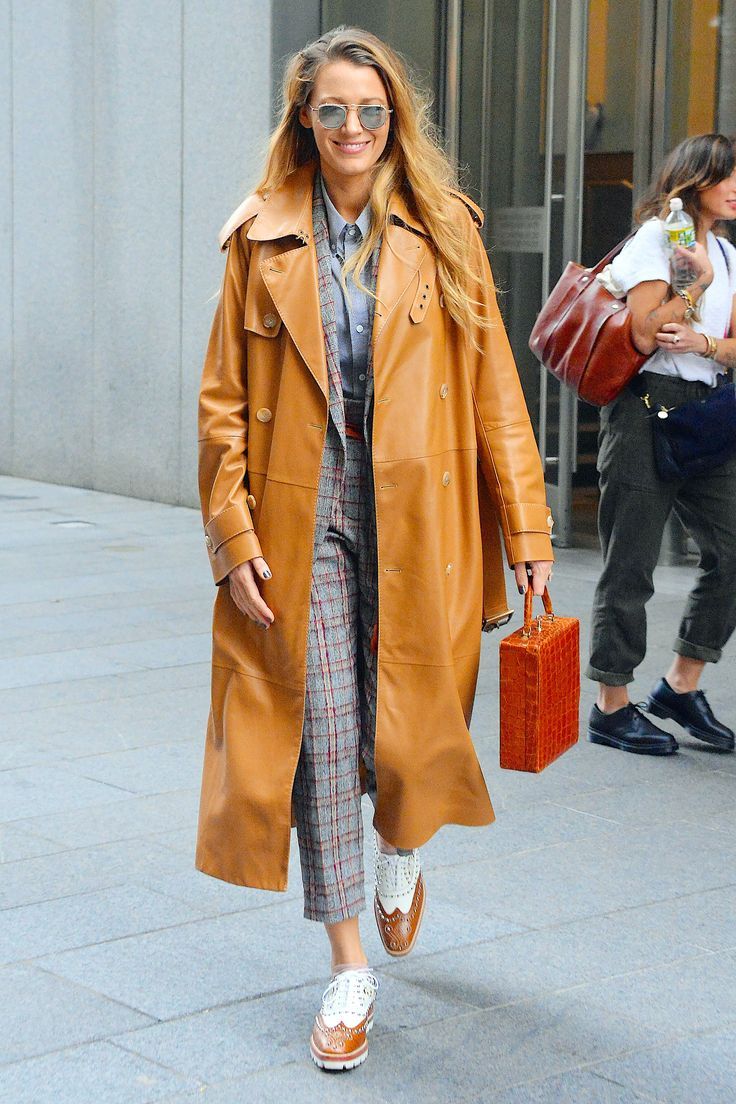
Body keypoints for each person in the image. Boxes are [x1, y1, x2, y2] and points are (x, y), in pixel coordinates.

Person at [196, 25, 553, 1071]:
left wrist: (526, 529)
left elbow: (496, 396)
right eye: (332, 110)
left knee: (407, 737)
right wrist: (232, 536)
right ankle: (349, 966)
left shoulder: (445, 232)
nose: (353, 129)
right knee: (321, 732)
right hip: (302, 513)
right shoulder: (258, 239)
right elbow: (222, 407)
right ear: (304, 120)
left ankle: (403, 849)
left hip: (424, 517)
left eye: (372, 111)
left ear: (395, 119)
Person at [587, 133, 736, 756]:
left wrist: (705, 343)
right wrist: (692, 284)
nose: (734, 188)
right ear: (695, 179)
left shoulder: (727, 253)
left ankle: (680, 684)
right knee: (631, 567)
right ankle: (611, 706)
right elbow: (647, 333)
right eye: (727, 176)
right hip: (646, 410)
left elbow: (725, 345)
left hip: (707, 417)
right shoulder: (655, 238)